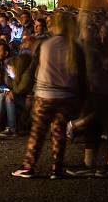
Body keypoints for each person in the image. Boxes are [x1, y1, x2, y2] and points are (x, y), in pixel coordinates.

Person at [13, 12, 87, 179]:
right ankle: (56, 168)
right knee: (58, 131)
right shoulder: (75, 46)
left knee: (38, 131)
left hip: (45, 94)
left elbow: (34, 69)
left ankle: (29, 166)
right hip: (66, 95)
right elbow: (81, 74)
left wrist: (23, 88)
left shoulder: (46, 45)